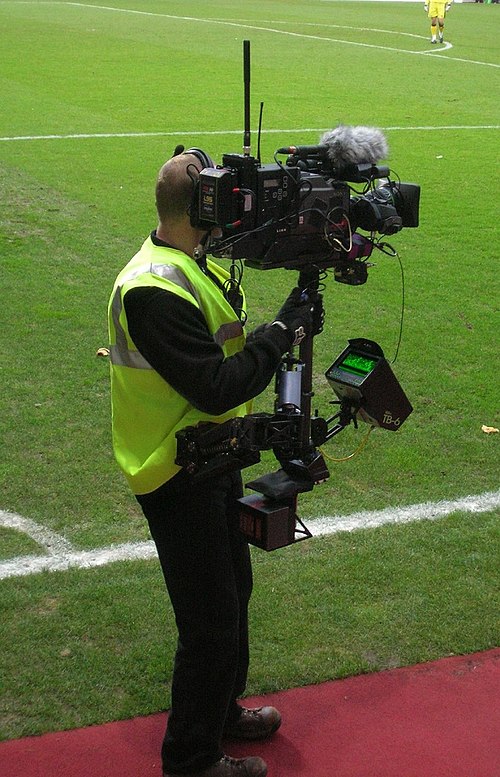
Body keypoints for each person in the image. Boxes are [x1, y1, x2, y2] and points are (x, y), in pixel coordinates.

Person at [108, 147, 320, 777]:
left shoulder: (187, 264)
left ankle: (222, 709)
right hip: (173, 473)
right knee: (209, 623)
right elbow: (216, 387)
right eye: (224, 196)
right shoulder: (153, 289)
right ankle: (192, 758)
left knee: (234, 593)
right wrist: (282, 332)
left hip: (209, 459)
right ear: (200, 207)